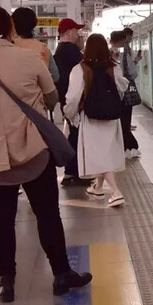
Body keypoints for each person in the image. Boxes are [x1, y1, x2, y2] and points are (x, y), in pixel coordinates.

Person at [0, 6, 91, 303]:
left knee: (0, 220)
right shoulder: (29, 57)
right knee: (47, 214)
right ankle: (61, 274)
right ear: (10, 28)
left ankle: (6, 283)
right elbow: (53, 97)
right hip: (32, 152)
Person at [63, 34, 128, 208]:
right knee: (105, 153)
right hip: (111, 117)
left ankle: (116, 192)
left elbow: (73, 97)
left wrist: (69, 114)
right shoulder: (114, 67)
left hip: (91, 118)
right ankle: (98, 187)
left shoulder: (80, 69)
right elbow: (122, 88)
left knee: (98, 155)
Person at [53, 18, 91, 187]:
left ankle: (71, 172)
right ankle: (75, 172)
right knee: (77, 136)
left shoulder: (61, 49)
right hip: (74, 100)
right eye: (76, 31)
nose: (78, 34)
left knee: (74, 134)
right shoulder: (69, 50)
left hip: (66, 98)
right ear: (68, 32)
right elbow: (85, 68)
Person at [110, 31, 140, 158]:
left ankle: (127, 146)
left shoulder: (108, 52)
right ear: (122, 40)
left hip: (114, 92)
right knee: (126, 119)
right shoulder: (123, 52)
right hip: (125, 90)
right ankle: (130, 146)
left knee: (121, 120)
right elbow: (132, 72)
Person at [11, 7, 59, 83]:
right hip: (38, 92)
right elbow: (55, 76)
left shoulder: (9, 47)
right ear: (34, 24)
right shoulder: (44, 49)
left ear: (13, 24)